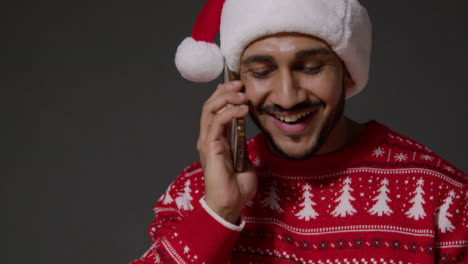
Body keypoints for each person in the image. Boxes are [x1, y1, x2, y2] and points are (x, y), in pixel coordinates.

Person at [131, 0, 467, 263]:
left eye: (311, 67)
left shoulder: (443, 197)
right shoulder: (193, 194)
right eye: (262, 71)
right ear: (234, 84)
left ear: (348, 72)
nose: (287, 96)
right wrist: (220, 211)